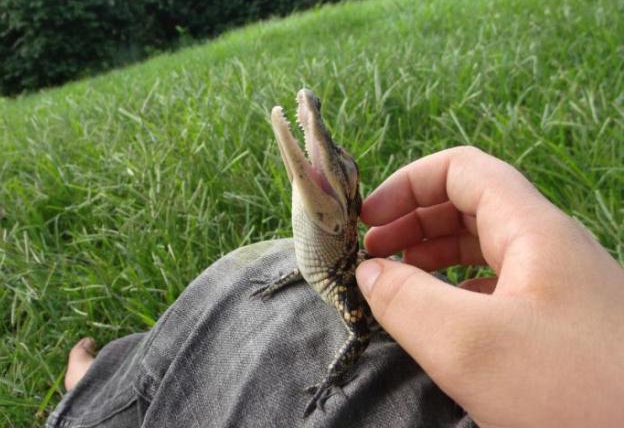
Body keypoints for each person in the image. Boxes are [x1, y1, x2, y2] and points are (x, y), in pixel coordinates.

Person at [51, 147, 624, 427]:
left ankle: (102, 397)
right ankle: (117, 386)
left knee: (242, 292)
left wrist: (330, 382)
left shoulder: (363, 283)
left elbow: (358, 335)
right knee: (264, 280)